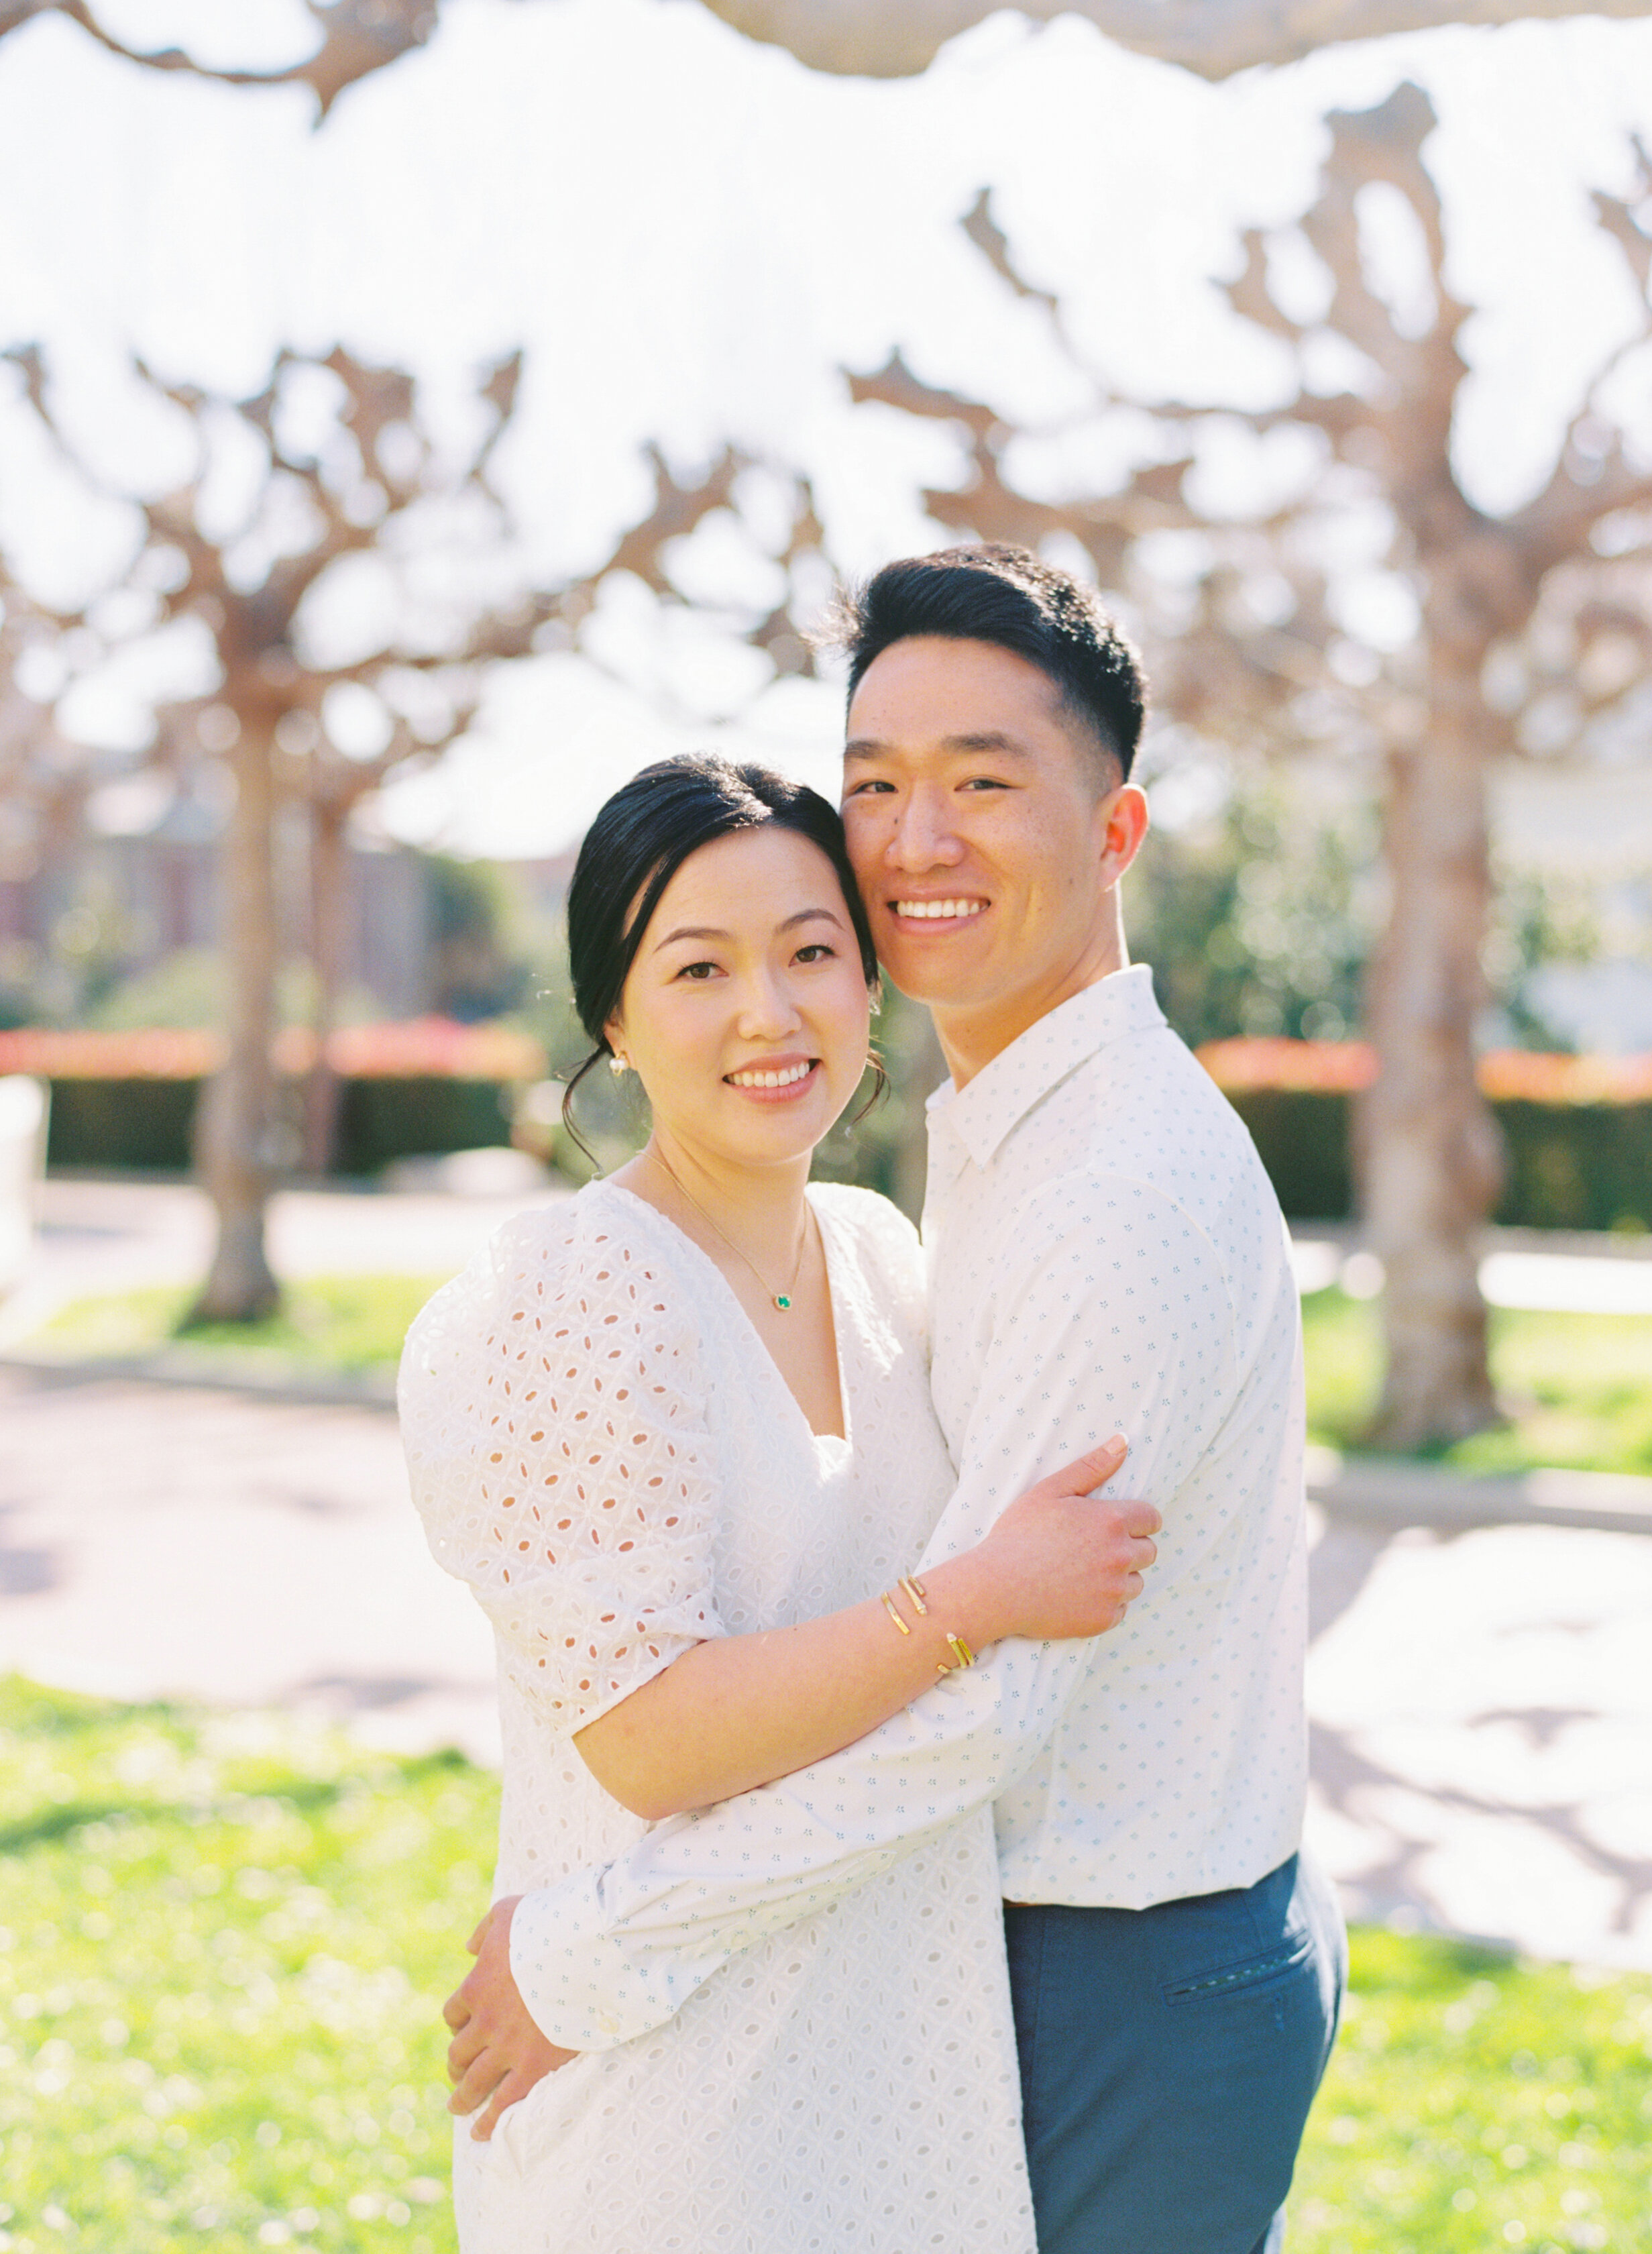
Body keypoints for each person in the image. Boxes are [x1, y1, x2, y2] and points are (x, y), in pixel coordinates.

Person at [448, 546, 1348, 2254]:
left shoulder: (1110, 1187)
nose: (914, 843)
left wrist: (588, 1953)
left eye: (982, 784)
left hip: (1121, 1962)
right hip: (999, 1953)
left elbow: (993, 1706)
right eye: (875, 786)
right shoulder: (984, 1142)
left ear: (1113, 833)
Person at [399, 750, 1160, 2253]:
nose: (770, 1011)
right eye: (698, 967)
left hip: (903, 2084)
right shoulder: (567, 1297)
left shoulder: (880, 1253)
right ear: (611, 1018)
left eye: (812, 952)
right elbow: (654, 1737)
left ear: (867, 983)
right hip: (664, 2120)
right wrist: (975, 1601)